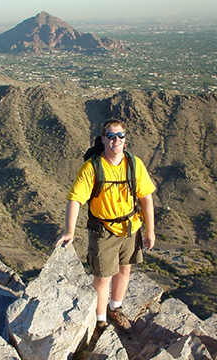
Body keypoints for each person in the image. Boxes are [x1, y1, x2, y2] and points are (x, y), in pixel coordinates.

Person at [54, 118, 156, 335]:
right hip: (104, 231)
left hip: (131, 228)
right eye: (110, 136)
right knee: (102, 277)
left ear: (125, 141)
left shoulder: (134, 165)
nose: (115, 140)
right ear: (103, 139)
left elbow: (146, 198)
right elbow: (75, 200)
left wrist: (150, 230)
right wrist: (69, 231)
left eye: (120, 136)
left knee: (125, 269)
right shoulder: (92, 167)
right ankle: (100, 321)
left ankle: (115, 308)